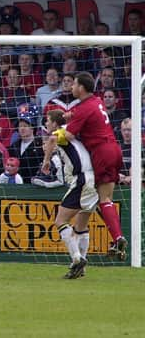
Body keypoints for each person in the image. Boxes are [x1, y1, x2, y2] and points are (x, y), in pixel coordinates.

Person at [56, 71, 127, 260]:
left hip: (101, 153)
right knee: (106, 200)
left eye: (74, 84)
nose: (71, 87)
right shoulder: (96, 102)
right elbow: (82, 115)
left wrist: (54, 134)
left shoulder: (84, 108)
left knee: (103, 200)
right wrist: (71, 115)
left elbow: (69, 136)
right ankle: (117, 238)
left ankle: (118, 237)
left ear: (81, 87)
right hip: (114, 149)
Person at [41, 109, 98, 279]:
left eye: (48, 120)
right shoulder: (73, 133)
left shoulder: (62, 132)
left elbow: (52, 139)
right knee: (81, 225)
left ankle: (76, 259)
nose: (46, 124)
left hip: (82, 179)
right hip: (93, 178)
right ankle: (81, 267)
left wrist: (46, 161)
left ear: (55, 123)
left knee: (60, 220)